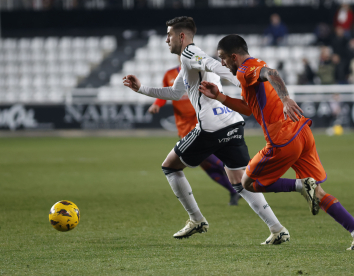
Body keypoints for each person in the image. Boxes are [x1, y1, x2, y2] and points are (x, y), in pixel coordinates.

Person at [123, 17, 289, 244]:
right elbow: (174, 93)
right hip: (232, 122)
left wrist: (241, 81)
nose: (166, 40)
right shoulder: (187, 60)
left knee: (170, 166)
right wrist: (140, 88)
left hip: (211, 127)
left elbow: (213, 64)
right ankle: (277, 228)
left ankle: (196, 219)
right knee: (239, 181)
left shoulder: (191, 53)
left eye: (169, 35)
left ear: (182, 36)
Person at [198, 34, 354, 250]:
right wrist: (220, 97)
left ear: (234, 56)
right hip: (301, 131)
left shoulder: (245, 70)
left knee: (247, 183)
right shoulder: (253, 68)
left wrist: (285, 98)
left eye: (223, 58)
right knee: (317, 191)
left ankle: (300, 186)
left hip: (283, 139)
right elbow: (248, 108)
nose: (222, 63)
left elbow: (272, 74)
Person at [148, 58, 241, 205]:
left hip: (202, 124)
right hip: (183, 127)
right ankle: (234, 189)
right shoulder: (170, 74)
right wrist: (156, 104)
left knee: (212, 159)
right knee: (206, 164)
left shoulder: (199, 73)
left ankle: (241, 176)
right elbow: (166, 93)